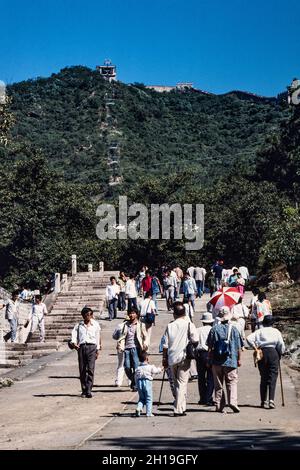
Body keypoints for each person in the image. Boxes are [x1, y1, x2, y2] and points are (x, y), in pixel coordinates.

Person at [162, 301, 199, 416]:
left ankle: (182, 407)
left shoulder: (170, 325)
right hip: (184, 357)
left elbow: (165, 345)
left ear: (174, 314)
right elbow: (195, 340)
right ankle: (178, 409)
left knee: (177, 383)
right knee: (182, 383)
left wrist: (164, 358)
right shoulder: (189, 324)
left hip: (172, 358)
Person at [207, 308, 243, 413]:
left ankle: (219, 404)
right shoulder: (235, 330)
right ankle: (232, 401)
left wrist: (209, 359)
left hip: (216, 361)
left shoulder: (214, 329)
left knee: (218, 383)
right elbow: (239, 347)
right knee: (231, 382)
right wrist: (239, 359)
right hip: (231, 360)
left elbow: (210, 347)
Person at [247, 315, 285, 409]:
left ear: (264, 323)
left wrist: (255, 347)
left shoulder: (259, 331)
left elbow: (248, 338)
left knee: (263, 377)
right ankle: (271, 400)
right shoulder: (276, 331)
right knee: (272, 377)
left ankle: (263, 401)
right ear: (272, 323)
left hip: (262, 353)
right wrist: (281, 352)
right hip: (273, 353)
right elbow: (281, 345)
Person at [71, 307, 101, 398]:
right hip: (82, 347)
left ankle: (89, 390)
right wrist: (74, 343)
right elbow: (74, 335)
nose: (89, 317)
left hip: (92, 347)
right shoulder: (79, 325)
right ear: (83, 316)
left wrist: (98, 349)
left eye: (90, 315)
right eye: (87, 315)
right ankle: (84, 389)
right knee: (83, 369)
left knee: (91, 369)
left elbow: (98, 336)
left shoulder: (95, 325)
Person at [117, 307, 149, 391]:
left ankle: (135, 384)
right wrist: (120, 345)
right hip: (126, 348)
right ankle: (133, 380)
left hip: (136, 348)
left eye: (133, 313)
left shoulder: (141, 325)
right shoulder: (125, 325)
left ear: (137, 314)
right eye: (130, 313)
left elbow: (146, 336)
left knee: (136, 367)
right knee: (127, 367)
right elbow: (121, 337)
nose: (131, 315)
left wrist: (145, 345)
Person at [135, 351, 162, 417]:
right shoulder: (150, 367)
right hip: (147, 383)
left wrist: (136, 385)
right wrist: (161, 369)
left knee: (141, 398)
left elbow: (135, 377)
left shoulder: (138, 368)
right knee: (149, 398)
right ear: (147, 359)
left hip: (139, 383)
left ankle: (139, 408)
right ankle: (148, 413)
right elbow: (156, 371)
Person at [196, 312, 215, 406]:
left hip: (200, 354)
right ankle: (208, 398)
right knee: (211, 377)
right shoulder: (213, 330)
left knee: (201, 377)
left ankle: (202, 398)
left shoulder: (197, 330)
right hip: (210, 353)